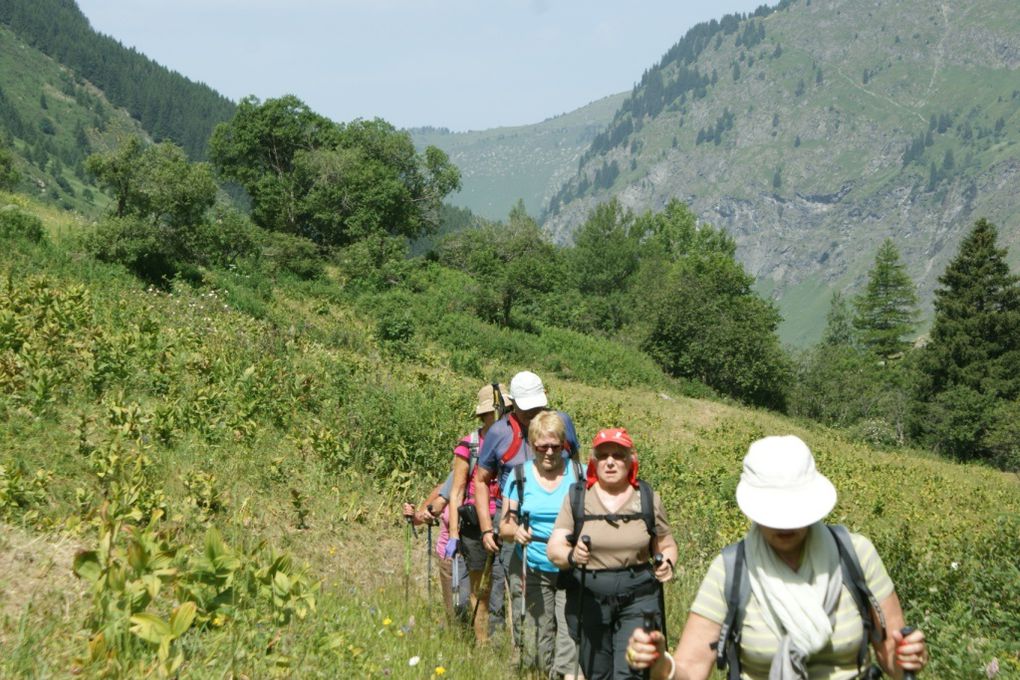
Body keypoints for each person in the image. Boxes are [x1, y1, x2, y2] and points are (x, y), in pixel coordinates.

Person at [625, 435, 929, 680]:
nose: (785, 522)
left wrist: (908, 655)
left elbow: (892, 654)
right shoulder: (731, 569)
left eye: (794, 509)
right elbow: (690, 670)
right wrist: (659, 666)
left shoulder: (856, 555)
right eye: (773, 510)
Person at [547, 427, 678, 680]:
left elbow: (666, 544)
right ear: (593, 461)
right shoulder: (577, 498)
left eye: (618, 455)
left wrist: (667, 563)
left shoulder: (648, 498)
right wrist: (572, 555)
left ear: (631, 460)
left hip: (638, 595)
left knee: (633, 671)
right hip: (589, 596)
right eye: (603, 455)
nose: (610, 461)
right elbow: (555, 548)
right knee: (598, 672)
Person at [474, 371, 580, 643]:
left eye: (538, 406)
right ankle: (528, 658)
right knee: (525, 600)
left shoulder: (562, 423)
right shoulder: (499, 432)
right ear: (514, 404)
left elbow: (577, 467)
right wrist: (488, 529)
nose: (534, 412)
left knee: (568, 599)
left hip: (564, 522)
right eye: (527, 408)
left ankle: (561, 663)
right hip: (516, 524)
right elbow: (481, 480)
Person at [500, 411, 582, 678]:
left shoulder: (578, 474)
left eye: (555, 446)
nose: (549, 452)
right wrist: (517, 531)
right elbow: (505, 526)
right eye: (542, 446)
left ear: (564, 445)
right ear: (532, 445)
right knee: (536, 646)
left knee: (569, 642)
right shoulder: (520, 476)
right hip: (531, 566)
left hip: (571, 570)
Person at [446, 382, 511, 643]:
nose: (499, 417)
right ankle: (482, 644)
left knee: (501, 585)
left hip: (506, 521)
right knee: (479, 587)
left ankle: (500, 642)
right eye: (494, 412)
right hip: (474, 525)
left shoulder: (514, 442)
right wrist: (453, 533)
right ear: (484, 415)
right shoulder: (470, 445)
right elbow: (457, 491)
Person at [402, 479, 470, 624]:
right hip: (449, 556)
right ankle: (455, 638)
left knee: (470, 606)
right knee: (453, 610)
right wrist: (413, 515)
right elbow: (421, 517)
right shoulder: (444, 489)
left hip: (473, 555)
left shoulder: (478, 489)